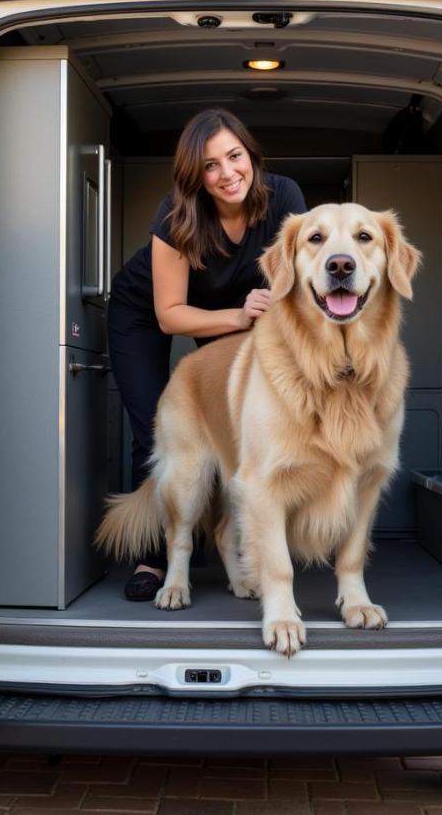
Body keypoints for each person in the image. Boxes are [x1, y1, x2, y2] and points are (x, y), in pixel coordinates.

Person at [107, 108, 306, 601]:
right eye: (210, 166)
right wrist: (239, 317)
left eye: (234, 157)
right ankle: (159, 559)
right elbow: (170, 315)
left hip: (239, 309)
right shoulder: (178, 215)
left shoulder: (285, 198)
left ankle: (232, 542)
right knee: (159, 426)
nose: (226, 173)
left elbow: (298, 284)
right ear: (195, 176)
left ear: (251, 156)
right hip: (148, 310)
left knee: (235, 428)